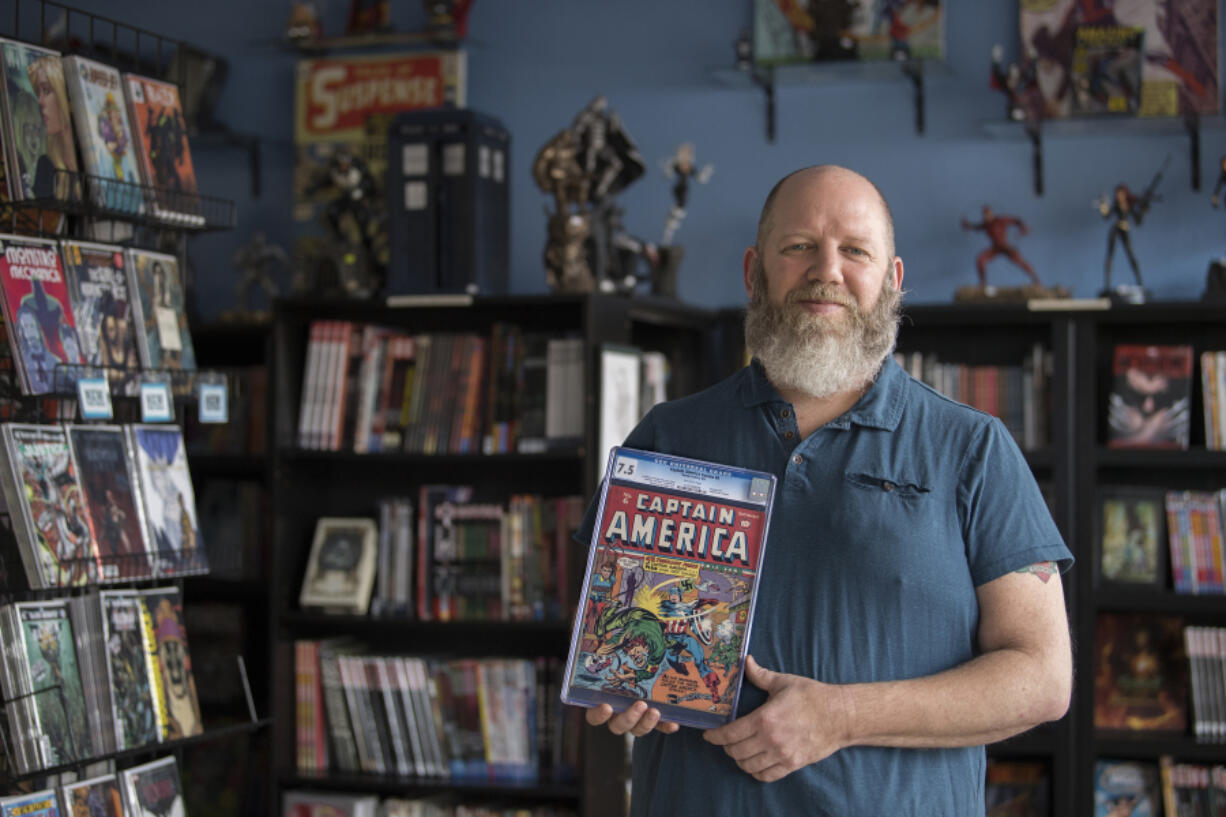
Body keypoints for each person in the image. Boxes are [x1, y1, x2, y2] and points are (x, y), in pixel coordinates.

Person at [580, 165, 1073, 816]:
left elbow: (1042, 677)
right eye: (799, 246)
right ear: (755, 270)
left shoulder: (972, 448)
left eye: (855, 250)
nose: (826, 270)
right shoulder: (666, 437)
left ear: (892, 281)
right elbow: (601, 633)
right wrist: (620, 689)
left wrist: (841, 716)